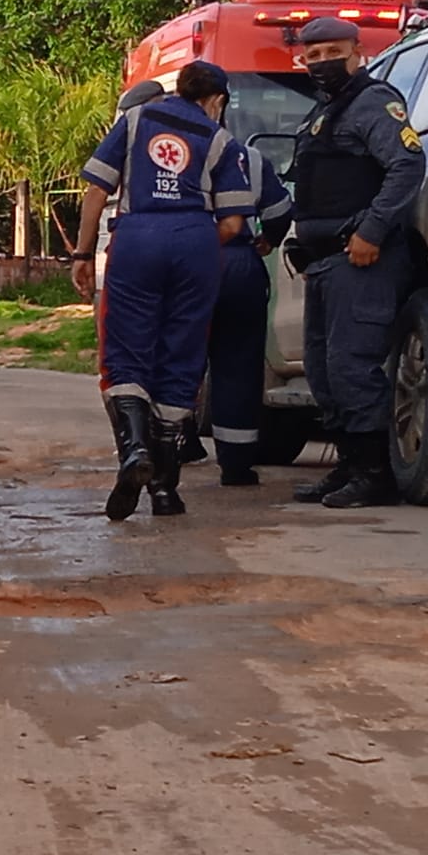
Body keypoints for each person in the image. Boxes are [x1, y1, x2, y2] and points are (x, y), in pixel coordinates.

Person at [75, 60, 254, 521]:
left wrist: (80, 252)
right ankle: (165, 491)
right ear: (215, 100)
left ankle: (135, 451)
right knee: (182, 355)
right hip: (196, 242)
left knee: (125, 353)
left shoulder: (135, 121)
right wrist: (193, 239)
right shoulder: (221, 141)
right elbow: (233, 221)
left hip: (137, 239)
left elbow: (96, 189)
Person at [288, 16, 426, 509]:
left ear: (356, 50)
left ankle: (374, 474)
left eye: (333, 52)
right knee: (324, 371)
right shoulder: (323, 112)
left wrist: (372, 230)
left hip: (362, 260)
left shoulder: (372, 103)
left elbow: (407, 165)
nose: (322, 62)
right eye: (313, 54)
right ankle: (349, 466)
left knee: (353, 367)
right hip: (326, 263)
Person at [208, 145, 295, 486]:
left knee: (174, 360)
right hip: (236, 263)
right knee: (238, 366)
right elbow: (278, 211)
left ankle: (163, 454)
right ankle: (236, 465)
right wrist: (269, 240)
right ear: (218, 103)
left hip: (182, 260)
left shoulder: (164, 150)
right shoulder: (246, 157)